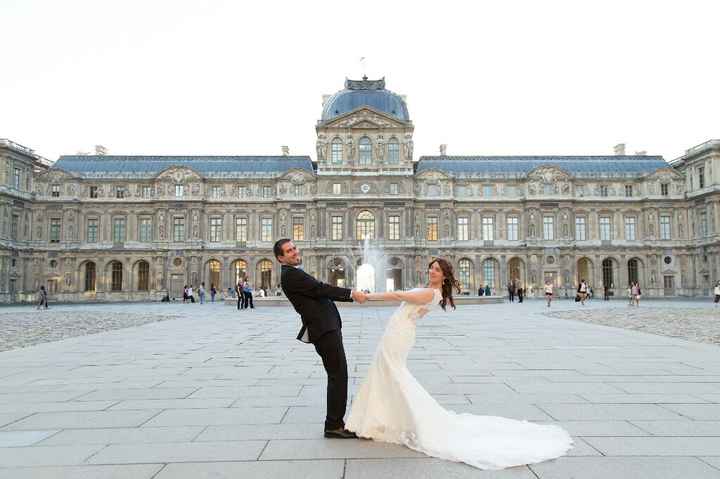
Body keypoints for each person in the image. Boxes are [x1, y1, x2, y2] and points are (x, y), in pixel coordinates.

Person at [346, 258, 572, 470]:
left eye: (437, 269)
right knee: (389, 373)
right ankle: (383, 418)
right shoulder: (433, 293)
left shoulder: (429, 292)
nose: (432, 271)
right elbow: (414, 312)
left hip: (399, 333)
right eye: (431, 267)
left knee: (392, 374)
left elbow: (397, 295)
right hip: (401, 331)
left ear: (444, 276)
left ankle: (391, 419)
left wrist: (368, 297)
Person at [275, 238, 366, 439]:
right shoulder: (290, 275)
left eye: (294, 248)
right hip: (323, 330)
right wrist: (352, 294)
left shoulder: (293, 272)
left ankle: (335, 422)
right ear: (280, 258)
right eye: (289, 251)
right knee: (338, 375)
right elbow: (321, 288)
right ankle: (333, 425)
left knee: (338, 374)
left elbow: (318, 291)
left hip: (325, 327)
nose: (294, 252)